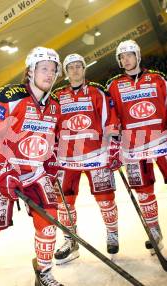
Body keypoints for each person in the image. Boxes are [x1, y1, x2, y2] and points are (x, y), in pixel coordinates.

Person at [0, 47, 63, 286]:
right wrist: (0, 171)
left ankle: (44, 271)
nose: (49, 74)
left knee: (49, 221)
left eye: (53, 70)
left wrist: (51, 161)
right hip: (2, 171)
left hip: (34, 173)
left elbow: (54, 138)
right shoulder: (10, 95)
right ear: (30, 71)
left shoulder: (55, 103)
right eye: (44, 69)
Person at [108, 40, 167, 254]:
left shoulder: (157, 78)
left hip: (164, 142)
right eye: (122, 57)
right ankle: (154, 232)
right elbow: (112, 118)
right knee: (144, 193)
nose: (126, 59)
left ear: (138, 56)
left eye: (129, 55)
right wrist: (113, 144)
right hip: (133, 148)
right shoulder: (113, 85)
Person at [52, 53, 120, 264]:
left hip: (96, 155)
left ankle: (112, 233)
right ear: (65, 71)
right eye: (70, 67)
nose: (74, 70)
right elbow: (51, 126)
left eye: (78, 66)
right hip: (66, 159)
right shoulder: (57, 96)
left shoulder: (96, 91)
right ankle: (70, 241)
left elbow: (110, 121)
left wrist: (114, 148)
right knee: (65, 203)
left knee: (106, 199)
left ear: (84, 69)